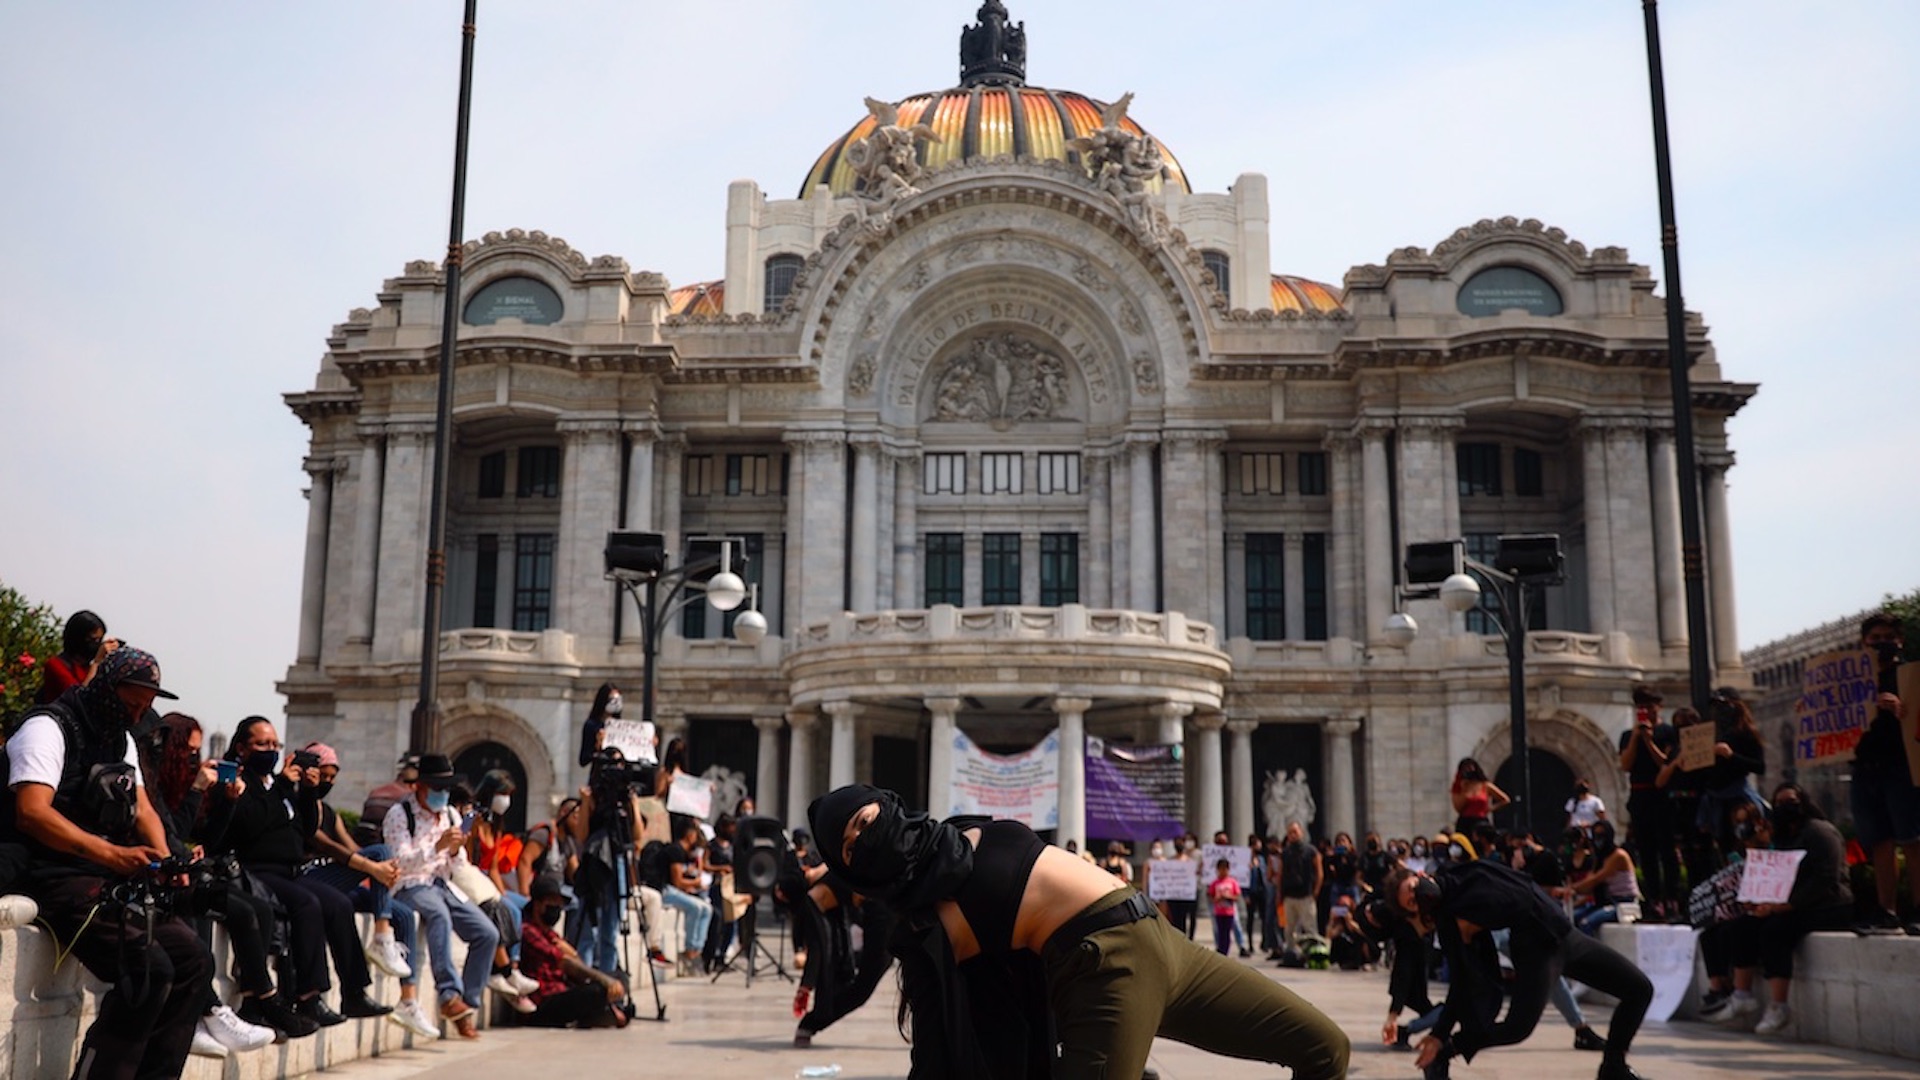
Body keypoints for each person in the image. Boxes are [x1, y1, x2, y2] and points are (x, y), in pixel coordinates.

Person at [810, 784, 1349, 1080]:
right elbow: (947, 1044)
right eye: (852, 849)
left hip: (1165, 941)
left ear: (886, 800)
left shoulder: (960, 829)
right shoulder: (925, 920)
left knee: (1326, 1050)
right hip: (1104, 970)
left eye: (864, 818)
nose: (867, 837)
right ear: (855, 872)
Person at [6, 647, 212, 1079]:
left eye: (146, 707)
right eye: (131, 704)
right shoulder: (48, 727)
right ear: (105, 688)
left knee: (194, 960)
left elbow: (142, 810)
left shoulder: (121, 739)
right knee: (148, 971)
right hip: (55, 877)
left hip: (104, 876)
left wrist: (167, 858)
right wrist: (113, 855)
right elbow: (32, 812)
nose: (138, 715)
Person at [1387, 858, 1652, 1080]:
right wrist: (1439, 1035)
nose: (1416, 896)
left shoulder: (1460, 871)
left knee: (1639, 989)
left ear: (1420, 874)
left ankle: (1613, 1068)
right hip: (1537, 951)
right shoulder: (1452, 922)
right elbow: (1461, 981)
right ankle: (1447, 1051)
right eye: (1411, 902)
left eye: (1412, 888)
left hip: (1565, 936)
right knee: (1517, 1028)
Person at [203, 716, 392, 1028]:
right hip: (258, 869)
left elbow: (305, 829)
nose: (271, 750)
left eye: (275, 744)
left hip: (290, 870)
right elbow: (251, 826)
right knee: (307, 904)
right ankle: (308, 994)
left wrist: (307, 792)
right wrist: (281, 784)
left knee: (339, 903)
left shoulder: (280, 788)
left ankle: (355, 991)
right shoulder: (241, 783)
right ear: (242, 747)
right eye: (262, 744)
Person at [140, 713, 297, 1049]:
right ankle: (209, 1010)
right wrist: (198, 792)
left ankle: (255, 1004)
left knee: (258, 910)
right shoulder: (156, 784)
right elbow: (174, 832)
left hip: (191, 869)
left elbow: (208, 836)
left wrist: (226, 802)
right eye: (190, 752)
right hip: (162, 876)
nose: (195, 759)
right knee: (202, 913)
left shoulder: (189, 781)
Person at [297, 741, 440, 1040]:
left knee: (401, 914)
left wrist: (384, 869)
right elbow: (328, 847)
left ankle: (408, 999)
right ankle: (381, 937)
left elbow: (353, 850)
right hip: (308, 877)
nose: (329, 782)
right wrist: (376, 866)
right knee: (378, 855)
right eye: (324, 775)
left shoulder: (329, 811)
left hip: (335, 882)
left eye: (333, 776)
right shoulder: (299, 805)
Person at [1700, 784, 1853, 1035]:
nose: (1784, 807)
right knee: (1742, 926)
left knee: (1775, 931)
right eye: (1778, 802)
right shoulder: (1783, 838)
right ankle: (1741, 995)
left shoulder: (1820, 832)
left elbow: (1825, 880)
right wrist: (1759, 900)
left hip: (1828, 904)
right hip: (1789, 904)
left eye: (1789, 801)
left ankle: (1779, 1006)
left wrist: (1785, 906)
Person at [384, 752, 501, 1039]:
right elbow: (399, 861)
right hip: (410, 885)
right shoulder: (400, 815)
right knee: (438, 915)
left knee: (487, 934)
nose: (443, 794)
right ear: (420, 787)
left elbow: (457, 863)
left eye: (446, 788)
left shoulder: (449, 813)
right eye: (438, 787)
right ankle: (449, 994)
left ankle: (466, 1006)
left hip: (442, 883)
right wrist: (438, 846)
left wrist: (453, 848)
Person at [1848, 613, 1918, 934]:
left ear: (1899, 641)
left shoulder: (1911, 675)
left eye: (1888, 636)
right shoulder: (1852, 681)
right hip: (1864, 768)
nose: (1881, 643)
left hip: (1900, 765)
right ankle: (1886, 911)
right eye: (1874, 638)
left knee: (1912, 839)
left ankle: (1917, 910)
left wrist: (1903, 708)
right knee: (1880, 842)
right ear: (1864, 643)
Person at [516, 872, 632, 1029]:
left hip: (564, 990)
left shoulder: (551, 934)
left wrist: (574, 954)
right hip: (543, 1002)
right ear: (538, 904)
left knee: (620, 976)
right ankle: (602, 1011)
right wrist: (605, 980)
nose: (556, 909)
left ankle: (602, 1011)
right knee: (598, 990)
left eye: (559, 905)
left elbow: (576, 969)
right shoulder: (528, 931)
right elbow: (564, 963)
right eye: (552, 903)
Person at [1619, 685, 1681, 921]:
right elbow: (1625, 764)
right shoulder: (1628, 735)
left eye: (1650, 708)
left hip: (1662, 796)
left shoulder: (1667, 732)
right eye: (1641, 708)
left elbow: (1666, 761)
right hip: (1640, 796)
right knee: (1646, 852)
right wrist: (1637, 738)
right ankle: (1653, 899)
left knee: (1667, 850)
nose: (1646, 712)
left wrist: (1649, 740)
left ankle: (1672, 898)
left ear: (1659, 708)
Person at [1555, 820, 1640, 935]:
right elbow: (1589, 884)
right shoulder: (1599, 858)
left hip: (1623, 903)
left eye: (1602, 835)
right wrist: (1569, 892)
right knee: (1572, 918)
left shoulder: (1618, 856)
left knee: (1586, 923)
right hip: (1605, 902)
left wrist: (1572, 888)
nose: (1599, 839)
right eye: (1596, 835)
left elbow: (1596, 879)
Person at [659, 819, 716, 976]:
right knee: (696, 907)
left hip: (675, 890)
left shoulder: (684, 853)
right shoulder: (676, 851)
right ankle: (690, 949)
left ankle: (697, 949)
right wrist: (695, 882)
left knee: (707, 909)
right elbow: (677, 882)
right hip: (666, 891)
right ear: (689, 835)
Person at [34, 609, 113, 704]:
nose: (98, 645)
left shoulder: (89, 669)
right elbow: (78, 700)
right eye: (94, 640)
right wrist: (97, 662)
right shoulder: (56, 665)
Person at [1277, 820, 1321, 950]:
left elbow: (1319, 873)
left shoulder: (1311, 851)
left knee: (1310, 927)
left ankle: (1313, 953)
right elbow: (1280, 874)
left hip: (1306, 895)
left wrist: (1315, 891)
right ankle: (1291, 953)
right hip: (1289, 896)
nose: (1293, 835)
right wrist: (1279, 894)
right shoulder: (1285, 853)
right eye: (1290, 832)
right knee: (1289, 928)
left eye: (1295, 832)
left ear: (1301, 832)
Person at [1450, 758, 1510, 835]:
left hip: (1481, 821)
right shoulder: (1459, 787)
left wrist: (1490, 808)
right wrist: (1465, 790)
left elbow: (1505, 799)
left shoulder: (1485, 785)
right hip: (1465, 822)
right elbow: (1458, 808)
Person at [1205, 857, 1241, 955]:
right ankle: (1220, 950)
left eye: (1225, 869)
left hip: (1229, 912)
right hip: (1219, 912)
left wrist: (1228, 896)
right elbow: (1210, 895)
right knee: (1220, 932)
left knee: (1227, 933)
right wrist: (1216, 899)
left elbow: (1237, 896)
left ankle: (1226, 951)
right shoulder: (1215, 883)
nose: (1223, 871)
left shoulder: (1232, 882)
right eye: (1221, 869)